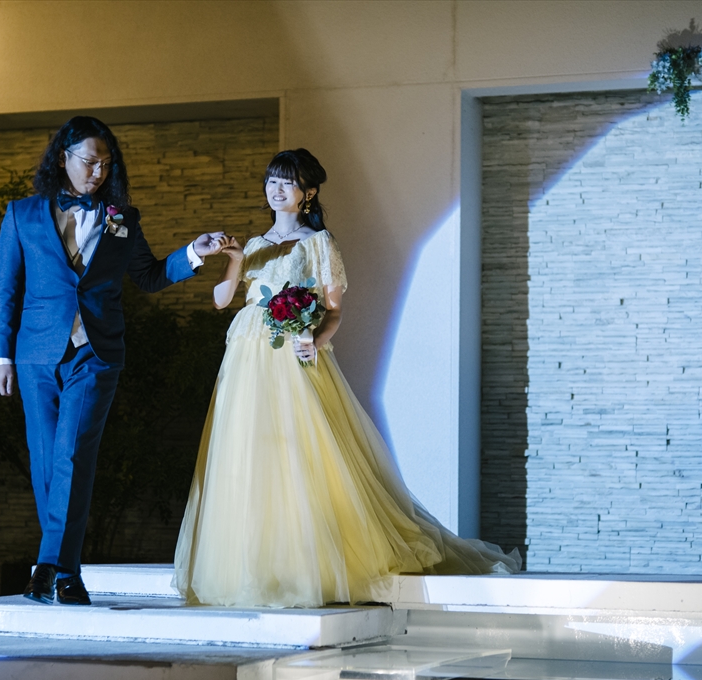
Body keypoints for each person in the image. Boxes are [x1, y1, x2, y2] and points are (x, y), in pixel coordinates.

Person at [173, 149, 521, 608]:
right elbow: (222, 300)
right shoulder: (254, 244)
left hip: (292, 355)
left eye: (287, 182)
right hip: (246, 357)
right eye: (272, 181)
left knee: (303, 454)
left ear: (308, 192)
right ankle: (255, 562)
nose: (277, 190)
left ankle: (308, 561)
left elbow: (334, 311)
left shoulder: (319, 243)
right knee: (247, 453)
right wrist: (236, 259)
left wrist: (314, 340)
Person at [0, 116, 231, 606]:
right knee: (45, 460)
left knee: (72, 455)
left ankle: (47, 567)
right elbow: (7, 289)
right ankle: (65, 574)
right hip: (35, 354)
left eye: (106, 164)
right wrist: (2, 356)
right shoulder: (21, 215)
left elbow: (148, 276)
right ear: (64, 158)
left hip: (96, 353)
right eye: (89, 162)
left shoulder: (122, 219)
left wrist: (194, 252)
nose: (98, 172)